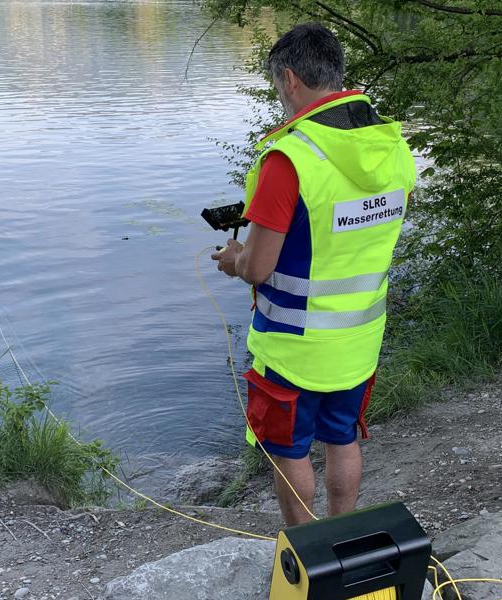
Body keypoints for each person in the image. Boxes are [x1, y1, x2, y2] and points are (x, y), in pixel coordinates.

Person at [212, 22, 416, 526]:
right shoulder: (391, 146)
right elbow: (363, 228)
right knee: (342, 439)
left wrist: (234, 256)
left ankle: (307, 553)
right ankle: (341, 539)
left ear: (289, 79)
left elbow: (258, 267)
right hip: (360, 339)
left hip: (293, 346)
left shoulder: (289, 158)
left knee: (290, 450)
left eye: (277, 87)